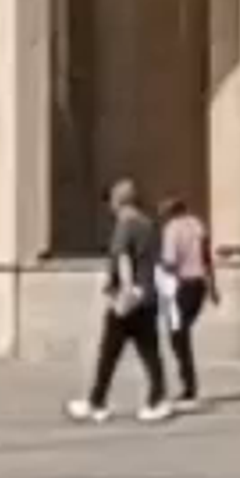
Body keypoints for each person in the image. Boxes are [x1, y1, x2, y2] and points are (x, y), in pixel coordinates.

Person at [72, 178, 172, 419]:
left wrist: (125, 290)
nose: (110, 206)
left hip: (129, 299)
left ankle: (97, 402)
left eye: (111, 200)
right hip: (147, 295)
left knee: (109, 353)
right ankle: (157, 399)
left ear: (118, 201)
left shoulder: (125, 224)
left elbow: (123, 256)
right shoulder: (148, 224)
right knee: (150, 352)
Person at [159, 200, 217, 409]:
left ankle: (189, 387)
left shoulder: (171, 229)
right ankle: (189, 385)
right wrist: (213, 287)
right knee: (182, 334)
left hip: (181, 285)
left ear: (170, 213)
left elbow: (170, 261)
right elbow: (207, 258)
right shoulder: (198, 225)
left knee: (178, 336)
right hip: (198, 285)